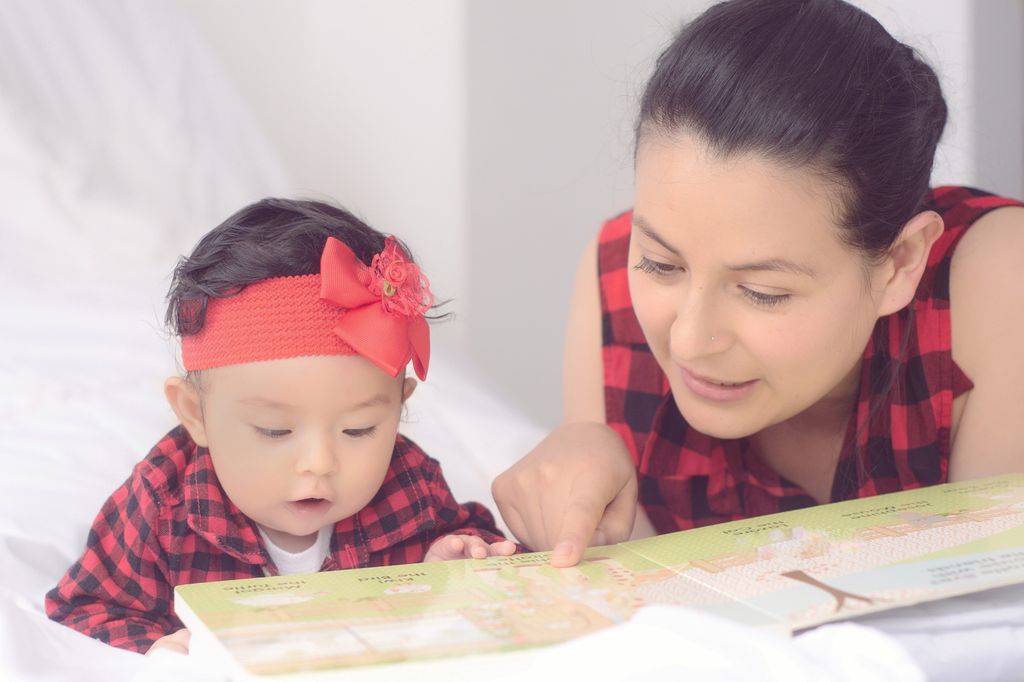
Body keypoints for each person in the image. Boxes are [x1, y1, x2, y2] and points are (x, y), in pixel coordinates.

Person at [492, 0, 1024, 568]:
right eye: (662, 264)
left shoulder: (996, 280)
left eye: (762, 292)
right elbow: (644, 613)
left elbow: (994, 620)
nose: (691, 342)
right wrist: (582, 516)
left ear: (900, 263)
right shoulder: (612, 277)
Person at [46, 198, 515, 654]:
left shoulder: (409, 483)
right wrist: (158, 648)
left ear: (398, 410)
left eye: (359, 429)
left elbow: (482, 546)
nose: (319, 463)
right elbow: (85, 607)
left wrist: (451, 566)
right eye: (274, 431)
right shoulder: (162, 505)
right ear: (195, 415)